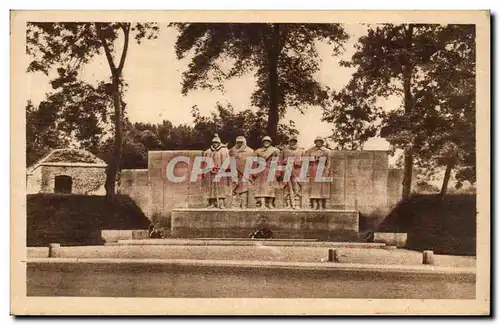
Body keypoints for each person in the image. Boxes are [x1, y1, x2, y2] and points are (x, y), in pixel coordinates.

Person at [202, 134, 230, 209]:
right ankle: (212, 203)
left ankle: (221, 203)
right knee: (211, 188)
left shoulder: (224, 150)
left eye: (216, 142)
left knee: (221, 188)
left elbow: (228, 161)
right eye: (214, 142)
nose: (215, 144)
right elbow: (205, 162)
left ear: (219, 143)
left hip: (221, 171)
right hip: (211, 172)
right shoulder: (208, 151)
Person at [305, 136, 332, 210]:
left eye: (320, 141)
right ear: (315, 142)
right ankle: (314, 204)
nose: (319, 142)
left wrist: (327, 171)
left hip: (322, 169)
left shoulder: (327, 151)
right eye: (317, 141)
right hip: (313, 169)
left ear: (322, 142)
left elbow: (329, 162)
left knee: (322, 188)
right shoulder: (310, 151)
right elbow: (306, 162)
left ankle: (321, 204)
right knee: (314, 188)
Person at [254, 136, 280, 209]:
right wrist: (254, 172)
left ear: (270, 142)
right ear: (262, 142)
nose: (266, 142)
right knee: (262, 188)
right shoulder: (258, 151)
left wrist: (277, 172)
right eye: (265, 141)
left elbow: (277, 162)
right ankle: (263, 204)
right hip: (261, 171)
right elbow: (255, 162)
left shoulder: (275, 150)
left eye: (268, 141)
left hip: (271, 169)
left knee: (271, 188)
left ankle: (270, 203)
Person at [229, 136, 254, 208]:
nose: (239, 144)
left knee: (244, 189)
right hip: (235, 172)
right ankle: (234, 205)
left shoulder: (250, 151)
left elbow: (253, 163)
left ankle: (244, 204)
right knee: (234, 188)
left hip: (245, 172)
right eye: (238, 142)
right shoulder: (232, 151)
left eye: (241, 142)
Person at [279, 135, 305, 209]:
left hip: (297, 171)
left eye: (294, 141)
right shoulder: (284, 150)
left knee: (296, 188)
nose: (292, 142)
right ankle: (288, 204)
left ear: (296, 142)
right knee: (286, 188)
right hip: (286, 171)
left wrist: (298, 162)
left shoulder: (301, 150)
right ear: (289, 142)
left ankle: (296, 204)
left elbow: (305, 162)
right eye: (291, 141)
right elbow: (280, 161)